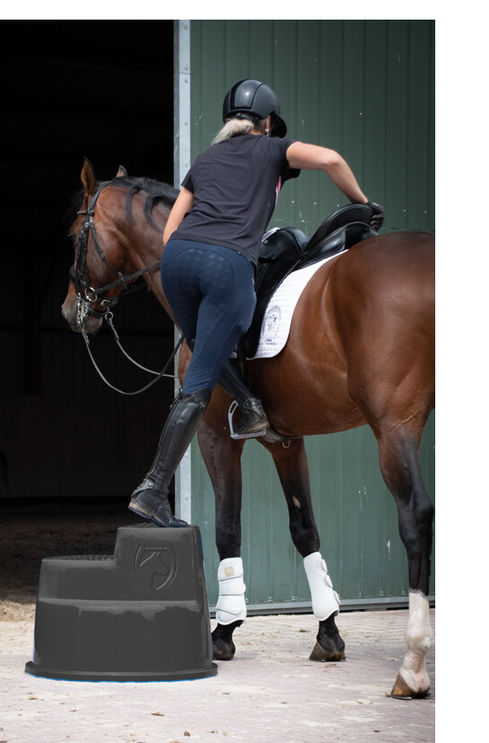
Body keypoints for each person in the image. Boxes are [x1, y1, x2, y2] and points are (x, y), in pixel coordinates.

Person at [129, 79, 383, 528]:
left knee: (204, 344)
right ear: (265, 123)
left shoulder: (204, 161)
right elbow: (331, 159)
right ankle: (152, 489)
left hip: (177, 261)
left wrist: (184, 258)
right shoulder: (272, 148)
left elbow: (170, 232)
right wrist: (362, 204)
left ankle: (248, 404)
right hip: (228, 265)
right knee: (204, 376)